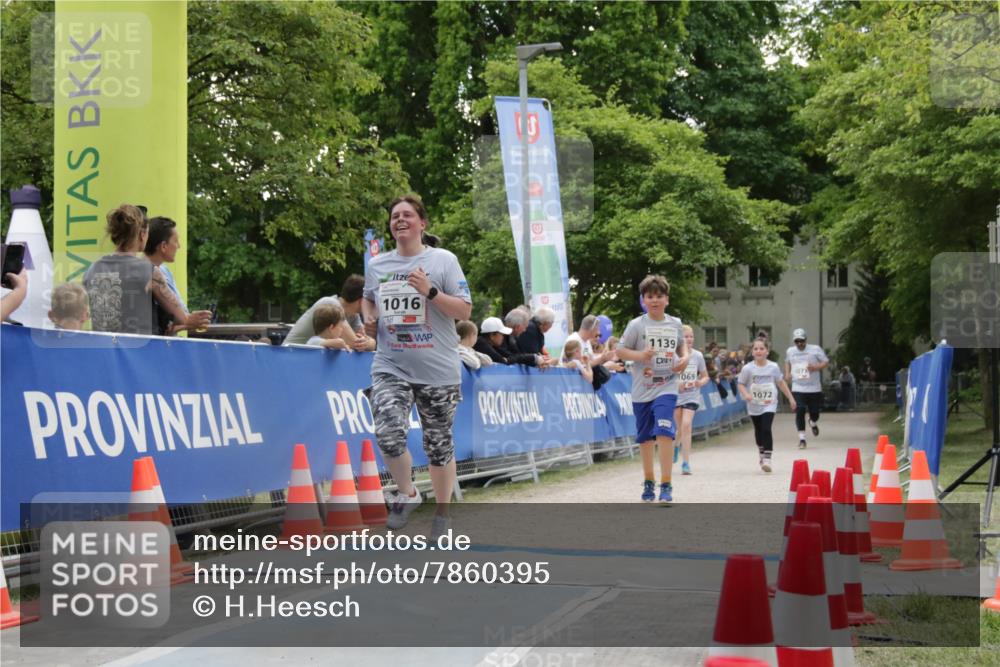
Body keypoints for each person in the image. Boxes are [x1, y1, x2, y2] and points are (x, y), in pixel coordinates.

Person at [362, 195, 472, 537]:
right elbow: (368, 296)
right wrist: (368, 318)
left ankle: (442, 515)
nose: (400, 220)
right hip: (390, 365)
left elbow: (464, 312)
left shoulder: (443, 260)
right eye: (395, 216)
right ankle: (408, 493)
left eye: (408, 214)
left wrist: (430, 291)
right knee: (388, 433)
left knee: (438, 445)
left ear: (422, 223)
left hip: (437, 369)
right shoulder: (378, 264)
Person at [617, 275, 689, 504]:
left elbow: (681, 345)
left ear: (667, 299)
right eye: (650, 297)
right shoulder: (637, 325)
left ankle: (666, 484)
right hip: (642, 389)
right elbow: (620, 351)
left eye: (659, 296)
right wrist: (641, 356)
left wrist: (685, 358)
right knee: (646, 439)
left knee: (665, 430)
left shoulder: (675, 323)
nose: (655, 300)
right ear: (644, 300)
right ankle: (649, 480)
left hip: (666, 386)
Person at [84, 204, 210, 335]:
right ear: (142, 234)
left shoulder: (92, 269)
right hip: (141, 352)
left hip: (104, 350)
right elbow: (181, 317)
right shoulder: (149, 272)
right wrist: (193, 319)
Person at [738, 338, 797, 472]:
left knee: (766, 428)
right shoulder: (747, 368)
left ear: (767, 351)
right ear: (752, 352)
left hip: (769, 403)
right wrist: (746, 394)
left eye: (762, 348)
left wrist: (791, 398)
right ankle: (761, 450)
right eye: (756, 349)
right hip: (754, 404)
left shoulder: (773, 367)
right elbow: (740, 383)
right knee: (758, 431)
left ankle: (768, 459)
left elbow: (781, 383)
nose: (759, 351)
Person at [284, 275, 373, 351]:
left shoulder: (354, 315)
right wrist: (367, 343)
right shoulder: (331, 305)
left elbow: (371, 344)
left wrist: (368, 342)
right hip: (290, 357)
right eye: (370, 301)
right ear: (361, 301)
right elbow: (355, 344)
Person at [143, 216, 191, 335]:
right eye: (176, 241)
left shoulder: (164, 271)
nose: (179, 246)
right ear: (163, 246)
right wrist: (190, 321)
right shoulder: (152, 273)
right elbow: (183, 317)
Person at [784, 327, 829, 449]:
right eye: (797, 341)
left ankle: (812, 422)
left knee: (815, 413)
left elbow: (825, 361)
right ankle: (802, 439)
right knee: (800, 411)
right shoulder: (790, 351)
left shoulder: (815, 349)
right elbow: (787, 362)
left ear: (806, 339)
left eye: (802, 341)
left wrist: (815, 367)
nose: (799, 344)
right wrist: (787, 373)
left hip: (814, 387)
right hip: (798, 387)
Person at [673, 325, 709, 475]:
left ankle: (686, 463)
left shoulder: (698, 356)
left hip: (692, 395)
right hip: (676, 396)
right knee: (679, 428)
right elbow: (666, 376)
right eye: (686, 336)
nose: (689, 339)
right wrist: (676, 383)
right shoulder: (673, 356)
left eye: (691, 336)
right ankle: (675, 445)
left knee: (686, 425)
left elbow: (706, 376)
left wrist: (700, 382)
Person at [474, 316, 540, 367]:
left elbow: (510, 356)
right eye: (502, 334)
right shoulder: (481, 343)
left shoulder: (490, 344)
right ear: (492, 335)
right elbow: (503, 361)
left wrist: (534, 357)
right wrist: (533, 357)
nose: (503, 337)